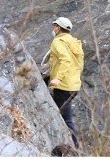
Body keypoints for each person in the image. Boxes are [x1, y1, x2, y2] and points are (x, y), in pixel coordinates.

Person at [47, 16, 84, 149]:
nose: (53, 28)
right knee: (63, 115)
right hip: (74, 85)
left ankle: (75, 149)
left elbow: (65, 60)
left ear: (58, 28)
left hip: (63, 86)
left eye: (54, 26)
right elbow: (79, 63)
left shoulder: (58, 42)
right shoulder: (74, 42)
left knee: (66, 118)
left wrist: (58, 78)